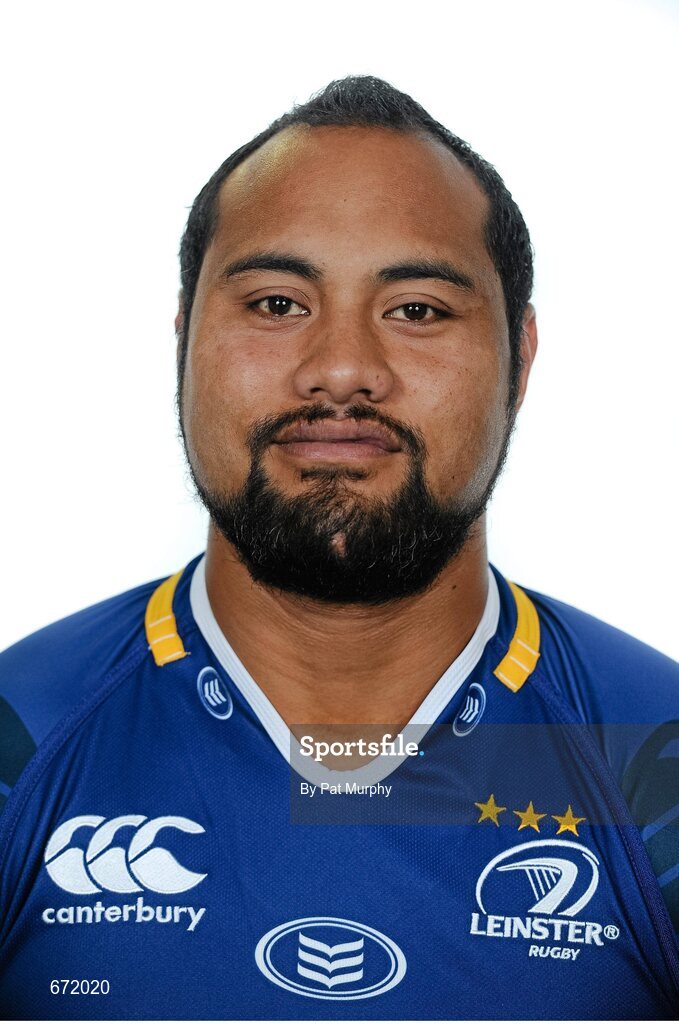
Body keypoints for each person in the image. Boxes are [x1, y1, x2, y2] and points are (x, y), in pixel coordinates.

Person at [0, 75, 677, 1021]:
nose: (343, 369)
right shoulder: (19, 737)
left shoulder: (652, 758)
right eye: (277, 304)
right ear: (183, 339)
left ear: (520, 360)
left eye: (418, 310)